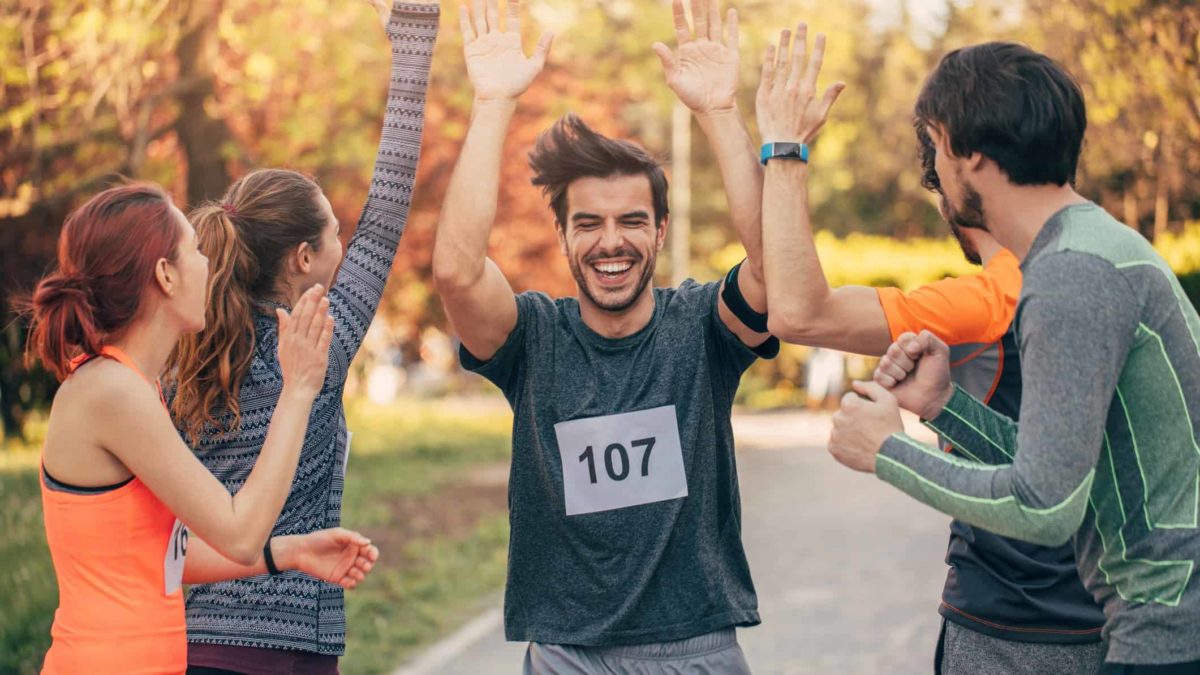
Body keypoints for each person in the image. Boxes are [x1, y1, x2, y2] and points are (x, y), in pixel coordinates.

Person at [827, 42, 1200, 673]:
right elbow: (1067, 473)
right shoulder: (1090, 246)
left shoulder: (1071, 276)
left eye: (937, 147)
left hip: (1165, 630)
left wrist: (887, 452)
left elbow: (1045, 508)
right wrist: (944, 407)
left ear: (967, 151)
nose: (936, 171)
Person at [751, 25, 1105, 673]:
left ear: (963, 160)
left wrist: (784, 147)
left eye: (938, 156)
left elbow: (799, 311)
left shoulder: (995, 295)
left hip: (1016, 630)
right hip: (1118, 620)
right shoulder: (1113, 264)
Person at [162, 1, 437, 671]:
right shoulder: (319, 349)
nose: (350, 239)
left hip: (188, 640)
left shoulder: (181, 354)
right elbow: (390, 203)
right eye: (335, 232)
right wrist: (414, 41)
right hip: (285, 648)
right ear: (305, 260)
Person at [27, 182, 378, 675]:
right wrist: (298, 389)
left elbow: (167, 557)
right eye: (194, 249)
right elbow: (238, 532)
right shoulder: (110, 392)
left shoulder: (131, 388)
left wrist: (289, 552)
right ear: (166, 275)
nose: (210, 264)